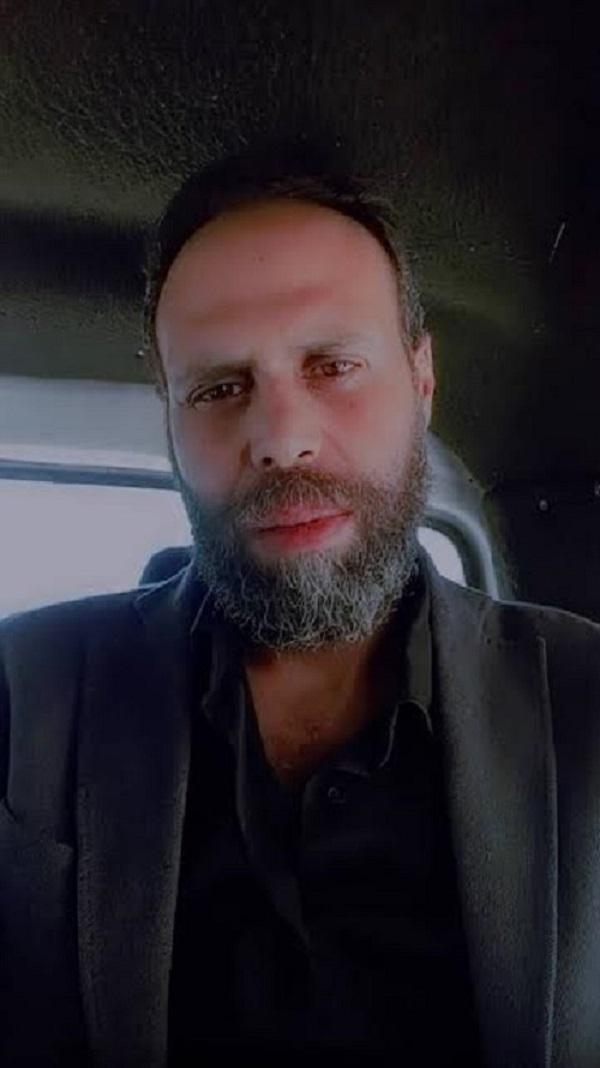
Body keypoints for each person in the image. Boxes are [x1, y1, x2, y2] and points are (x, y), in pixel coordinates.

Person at [1, 138, 599, 1068]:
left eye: (333, 365)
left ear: (423, 381)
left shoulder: (586, 696)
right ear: (171, 419)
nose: (281, 438)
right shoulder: (22, 692)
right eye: (219, 387)